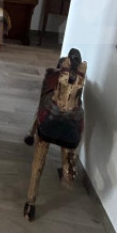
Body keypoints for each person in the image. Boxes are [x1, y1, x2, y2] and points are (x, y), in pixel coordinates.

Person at [23, 48, 86, 221]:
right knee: (42, 156)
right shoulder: (60, 80)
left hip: (66, 116)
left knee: (66, 147)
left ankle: (66, 170)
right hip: (57, 113)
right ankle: (31, 199)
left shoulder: (73, 85)